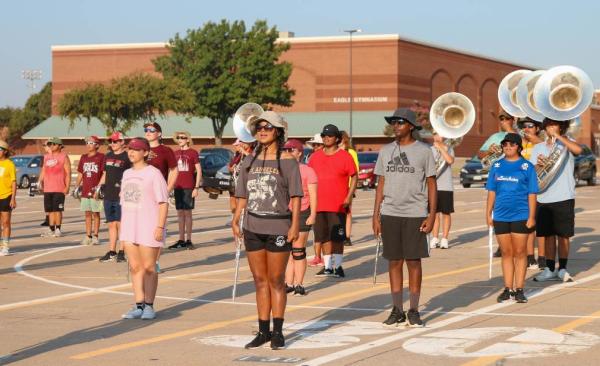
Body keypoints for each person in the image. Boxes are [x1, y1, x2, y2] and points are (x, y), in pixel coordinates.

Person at [232, 111, 302, 349]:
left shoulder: (288, 160)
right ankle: (263, 331)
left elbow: (295, 197)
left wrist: (294, 226)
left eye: (268, 127)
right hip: (253, 227)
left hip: (279, 227)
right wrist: (235, 218)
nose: (262, 130)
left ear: (278, 132)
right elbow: (242, 194)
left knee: (276, 281)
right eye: (259, 127)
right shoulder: (249, 160)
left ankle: (278, 332)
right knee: (259, 280)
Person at [373, 108, 436, 328]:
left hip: (415, 213)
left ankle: (414, 309)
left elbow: (431, 184)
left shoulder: (424, 151)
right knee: (394, 262)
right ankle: (397, 309)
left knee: (413, 262)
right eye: (393, 122)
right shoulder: (385, 150)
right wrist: (376, 215)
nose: (396, 126)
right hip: (390, 213)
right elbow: (380, 183)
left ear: (410, 126)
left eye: (400, 122)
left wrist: (432, 215)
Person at [485, 133, 538, 303]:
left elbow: (532, 193)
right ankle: (508, 288)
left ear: (519, 147)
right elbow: (492, 191)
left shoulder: (527, 167)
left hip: (521, 215)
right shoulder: (497, 165)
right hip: (500, 215)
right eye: (505, 144)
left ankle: (520, 289)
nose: (508, 147)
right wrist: (488, 213)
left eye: (512, 144)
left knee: (520, 252)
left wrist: (531, 216)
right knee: (506, 253)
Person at [120, 138, 168, 320]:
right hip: (130, 227)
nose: (131, 152)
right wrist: (123, 233)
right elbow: (124, 203)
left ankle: (149, 305)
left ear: (145, 152)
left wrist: (160, 226)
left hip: (149, 225)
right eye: (129, 149)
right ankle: (138, 305)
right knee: (135, 267)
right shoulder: (126, 174)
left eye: (136, 149)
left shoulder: (154, 174)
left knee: (149, 267)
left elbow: (163, 203)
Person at [532, 118, 582, 283]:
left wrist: (559, 138)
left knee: (563, 235)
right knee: (547, 236)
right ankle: (550, 268)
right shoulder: (538, 147)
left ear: (561, 127)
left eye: (555, 125)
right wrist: (540, 165)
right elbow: (533, 173)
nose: (551, 128)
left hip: (564, 195)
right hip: (544, 196)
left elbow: (578, 150)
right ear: (544, 128)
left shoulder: (567, 143)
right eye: (549, 125)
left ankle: (563, 269)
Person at [309, 124, 357, 278]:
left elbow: (354, 176)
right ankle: (328, 266)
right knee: (323, 237)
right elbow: (309, 179)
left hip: (338, 204)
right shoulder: (315, 156)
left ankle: (338, 266)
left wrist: (349, 196)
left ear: (337, 138)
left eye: (330, 136)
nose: (326, 138)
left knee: (337, 237)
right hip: (319, 204)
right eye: (324, 135)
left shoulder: (345, 156)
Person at [478, 110, 517, 258]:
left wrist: (510, 133)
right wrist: (489, 151)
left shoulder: (520, 136)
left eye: (506, 118)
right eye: (501, 119)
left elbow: (524, 148)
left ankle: (515, 244)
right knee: (498, 214)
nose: (503, 121)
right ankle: (502, 245)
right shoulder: (495, 137)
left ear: (512, 120)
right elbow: (479, 154)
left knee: (515, 214)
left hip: (515, 180)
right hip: (497, 180)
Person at [283, 139, 317, 296]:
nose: (289, 153)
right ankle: (288, 283)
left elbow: (314, 194)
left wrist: (313, 214)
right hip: (285, 213)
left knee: (298, 250)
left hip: (303, 211)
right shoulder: (282, 170)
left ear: (299, 153)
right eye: (286, 150)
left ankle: (299, 284)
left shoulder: (307, 171)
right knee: (288, 250)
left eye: (292, 150)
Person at [144, 122, 178, 272]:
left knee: (158, 229)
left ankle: (155, 262)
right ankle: (144, 260)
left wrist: (167, 188)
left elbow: (174, 170)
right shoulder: (140, 149)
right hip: (141, 196)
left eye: (152, 130)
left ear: (159, 134)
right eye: (146, 130)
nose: (148, 132)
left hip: (157, 196)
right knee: (142, 229)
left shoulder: (165, 150)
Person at [517, 117, 545, 270]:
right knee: (528, 224)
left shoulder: (542, 143)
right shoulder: (521, 144)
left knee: (540, 225)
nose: (526, 128)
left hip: (541, 187)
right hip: (524, 188)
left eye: (530, 126)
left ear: (537, 128)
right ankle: (529, 256)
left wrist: (536, 140)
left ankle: (542, 257)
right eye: (524, 126)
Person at [98, 132, 131, 262]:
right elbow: (105, 174)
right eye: (111, 141)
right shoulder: (108, 156)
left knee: (121, 224)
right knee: (111, 224)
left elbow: (131, 175)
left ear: (122, 142)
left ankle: (122, 251)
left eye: (115, 141)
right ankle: (112, 251)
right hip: (108, 194)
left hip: (121, 195)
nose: (112, 143)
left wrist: (125, 189)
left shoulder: (127, 156)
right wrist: (98, 187)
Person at [168, 131, 201, 250]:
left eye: (183, 137)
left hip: (188, 187)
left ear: (188, 139)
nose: (180, 139)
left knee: (187, 213)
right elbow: (171, 170)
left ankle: (189, 240)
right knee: (179, 214)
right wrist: (169, 187)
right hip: (178, 187)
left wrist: (196, 187)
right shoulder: (175, 153)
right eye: (178, 137)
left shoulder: (193, 152)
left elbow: (199, 171)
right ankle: (181, 239)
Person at [75, 136, 105, 246]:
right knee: (87, 213)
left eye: (91, 143)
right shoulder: (83, 157)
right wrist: (76, 186)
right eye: (87, 142)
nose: (88, 144)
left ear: (97, 145)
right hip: (85, 189)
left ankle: (96, 236)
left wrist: (99, 187)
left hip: (95, 190)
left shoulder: (101, 157)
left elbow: (104, 173)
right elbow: (80, 173)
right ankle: (88, 236)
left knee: (96, 213)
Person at [38, 137, 71, 238]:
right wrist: (39, 181)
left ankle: (58, 229)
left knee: (57, 210)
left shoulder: (63, 157)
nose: (51, 146)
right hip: (48, 188)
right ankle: (51, 229)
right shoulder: (46, 157)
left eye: (53, 144)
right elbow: (44, 170)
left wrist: (67, 187)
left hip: (59, 188)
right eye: (50, 144)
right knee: (50, 210)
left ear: (60, 146)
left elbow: (68, 173)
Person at [429, 132, 455, 249]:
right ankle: (434, 238)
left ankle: (444, 238)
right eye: (435, 134)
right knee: (434, 213)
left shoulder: (449, 148)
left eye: (439, 134)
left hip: (446, 186)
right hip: (433, 186)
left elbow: (450, 161)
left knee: (446, 213)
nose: (437, 137)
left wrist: (441, 148)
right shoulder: (429, 150)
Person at [227, 139, 255, 225]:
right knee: (233, 200)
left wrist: (244, 152)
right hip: (236, 180)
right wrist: (231, 168)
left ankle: (243, 219)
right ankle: (235, 216)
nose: (237, 147)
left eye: (238, 145)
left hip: (246, 182)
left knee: (243, 202)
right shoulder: (238, 154)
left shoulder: (252, 151)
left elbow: (254, 161)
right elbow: (232, 165)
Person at [339, 131, 359, 247]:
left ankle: (347, 236)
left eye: (340, 139)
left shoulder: (351, 152)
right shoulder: (334, 151)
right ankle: (338, 234)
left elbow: (355, 171)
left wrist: (352, 189)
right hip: (337, 186)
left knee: (347, 213)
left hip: (348, 187)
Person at [0, 141, 16, 256]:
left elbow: (14, 182)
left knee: (5, 222)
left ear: (5, 151)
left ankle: (5, 247)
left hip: (6, 195)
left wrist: (13, 198)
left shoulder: (9, 164)